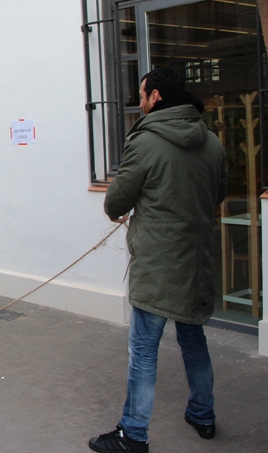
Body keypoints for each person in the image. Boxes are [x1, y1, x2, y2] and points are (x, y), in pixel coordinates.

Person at [89, 67, 227, 453]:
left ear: (156, 98)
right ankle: (203, 415)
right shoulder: (212, 142)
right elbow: (217, 195)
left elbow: (116, 201)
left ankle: (132, 434)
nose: (139, 100)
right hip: (197, 259)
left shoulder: (145, 141)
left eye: (142, 94)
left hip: (158, 262)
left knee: (144, 349)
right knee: (193, 339)